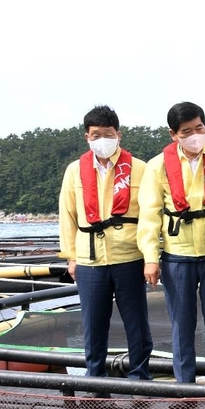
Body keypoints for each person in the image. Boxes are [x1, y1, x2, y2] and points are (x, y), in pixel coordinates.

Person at [138, 102, 205, 384]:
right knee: (182, 324)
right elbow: (149, 215)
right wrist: (150, 258)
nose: (194, 135)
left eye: (199, 128)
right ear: (173, 134)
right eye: (186, 131)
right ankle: (184, 386)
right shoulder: (157, 167)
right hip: (177, 255)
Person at [58, 105, 153, 390]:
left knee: (137, 324)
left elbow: (150, 215)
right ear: (87, 137)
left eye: (108, 134)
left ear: (118, 135)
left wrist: (151, 257)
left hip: (129, 256)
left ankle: (141, 382)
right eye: (96, 135)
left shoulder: (140, 168)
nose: (102, 140)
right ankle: (95, 385)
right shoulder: (75, 170)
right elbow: (68, 216)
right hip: (89, 260)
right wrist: (71, 257)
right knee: (94, 326)